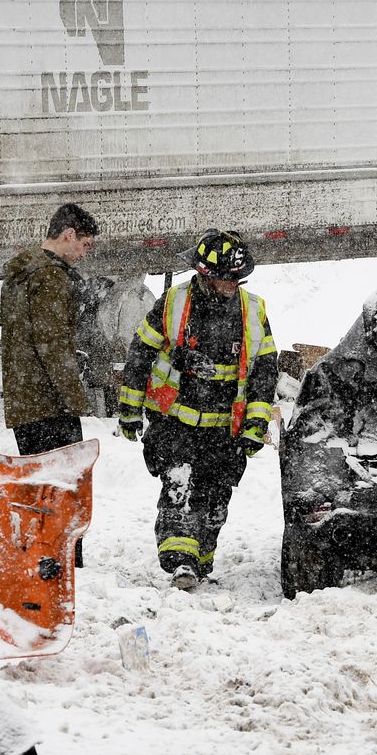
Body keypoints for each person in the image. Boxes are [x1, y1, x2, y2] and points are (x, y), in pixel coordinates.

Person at [117, 229, 278, 590]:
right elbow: (140, 354)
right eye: (225, 279)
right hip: (175, 421)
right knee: (178, 487)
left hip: (224, 429)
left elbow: (265, 370)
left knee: (214, 502)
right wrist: (129, 409)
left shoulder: (252, 309)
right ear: (204, 274)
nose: (231, 286)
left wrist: (256, 421)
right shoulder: (174, 303)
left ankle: (200, 559)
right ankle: (181, 563)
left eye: (237, 279)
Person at [1, 203, 100, 454]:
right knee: (62, 485)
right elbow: (53, 344)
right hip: (50, 405)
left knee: (38, 485)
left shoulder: (21, 271)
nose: (84, 254)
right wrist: (75, 400)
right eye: (85, 244)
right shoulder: (50, 276)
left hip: (24, 402)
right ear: (69, 235)